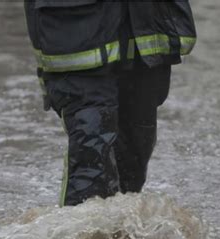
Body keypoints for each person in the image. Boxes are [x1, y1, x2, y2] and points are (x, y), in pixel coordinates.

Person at [24, 0, 196, 206]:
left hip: (146, 29)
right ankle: (80, 234)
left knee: (132, 166)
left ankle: (117, 234)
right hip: (78, 29)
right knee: (92, 166)